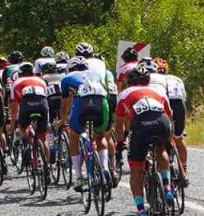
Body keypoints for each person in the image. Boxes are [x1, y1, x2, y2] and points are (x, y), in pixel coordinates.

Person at [114, 62, 174, 216]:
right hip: (162, 123)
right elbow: (169, 115)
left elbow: (119, 125)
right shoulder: (158, 91)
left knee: (136, 168)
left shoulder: (125, 93)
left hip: (141, 127)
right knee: (161, 149)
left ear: (130, 82)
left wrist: (120, 144)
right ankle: (167, 187)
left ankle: (141, 210)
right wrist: (170, 139)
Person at [61, 55, 113, 191]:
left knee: (74, 135)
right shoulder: (96, 74)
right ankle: (104, 167)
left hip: (82, 102)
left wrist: (62, 119)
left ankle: (79, 176)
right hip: (101, 101)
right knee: (100, 135)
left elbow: (65, 103)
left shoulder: (66, 78)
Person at [153, 58, 189, 185]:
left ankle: (164, 170)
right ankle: (184, 170)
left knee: (161, 141)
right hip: (178, 105)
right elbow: (183, 99)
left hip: (163, 104)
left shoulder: (152, 78)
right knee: (179, 138)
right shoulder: (176, 78)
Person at [10, 63, 51, 168]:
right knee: (43, 137)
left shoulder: (16, 82)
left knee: (22, 129)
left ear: (20, 73)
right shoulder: (41, 80)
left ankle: (27, 148)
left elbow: (14, 106)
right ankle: (47, 167)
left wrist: (13, 123)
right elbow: (46, 98)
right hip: (43, 105)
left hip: (27, 106)